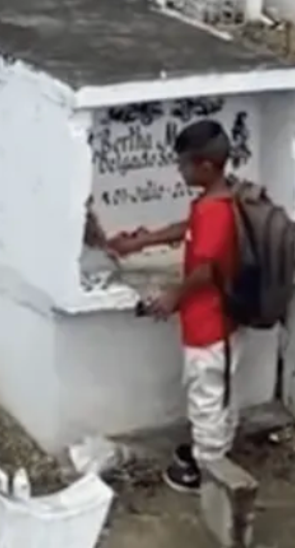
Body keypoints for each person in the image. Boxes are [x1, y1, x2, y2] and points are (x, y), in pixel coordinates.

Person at [106, 119, 241, 494]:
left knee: (206, 396)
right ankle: (213, 450)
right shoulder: (216, 199)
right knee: (219, 393)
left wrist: (173, 297)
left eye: (184, 165)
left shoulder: (216, 211)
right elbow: (189, 228)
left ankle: (208, 471)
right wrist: (144, 241)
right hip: (219, 322)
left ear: (206, 167)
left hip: (209, 324)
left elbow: (206, 270)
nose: (180, 171)